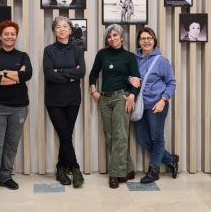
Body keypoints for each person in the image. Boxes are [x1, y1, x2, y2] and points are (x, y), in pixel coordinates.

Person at [0, 20, 33, 199]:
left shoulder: (23, 56)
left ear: (16, 36)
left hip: (19, 108)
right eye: (6, 34)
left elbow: (27, 75)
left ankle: (6, 177)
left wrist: (4, 73)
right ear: (1, 37)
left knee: (11, 145)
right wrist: (17, 75)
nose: (10, 36)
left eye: (13, 34)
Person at [88, 24, 140, 189]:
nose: (112, 39)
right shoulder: (102, 54)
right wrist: (94, 91)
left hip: (121, 98)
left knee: (120, 135)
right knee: (110, 136)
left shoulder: (129, 57)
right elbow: (93, 74)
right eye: (109, 36)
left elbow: (136, 79)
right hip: (104, 99)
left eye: (115, 35)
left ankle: (115, 174)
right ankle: (128, 169)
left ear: (122, 38)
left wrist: (132, 96)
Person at [128, 27, 179, 184]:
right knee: (143, 139)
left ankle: (154, 170)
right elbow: (129, 76)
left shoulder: (161, 61)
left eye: (149, 38)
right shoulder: (134, 59)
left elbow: (171, 83)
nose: (146, 41)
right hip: (140, 105)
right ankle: (170, 159)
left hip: (157, 104)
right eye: (143, 38)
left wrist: (163, 100)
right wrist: (130, 79)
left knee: (157, 137)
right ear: (138, 42)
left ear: (154, 40)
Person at [43, 17, 86, 188]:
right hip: (54, 100)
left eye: (65, 26)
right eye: (58, 27)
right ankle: (75, 168)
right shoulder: (48, 50)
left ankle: (61, 168)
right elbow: (49, 74)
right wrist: (70, 75)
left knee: (65, 135)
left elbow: (81, 72)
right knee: (65, 134)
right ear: (54, 31)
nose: (62, 29)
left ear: (70, 30)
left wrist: (59, 71)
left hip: (73, 99)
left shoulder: (77, 49)